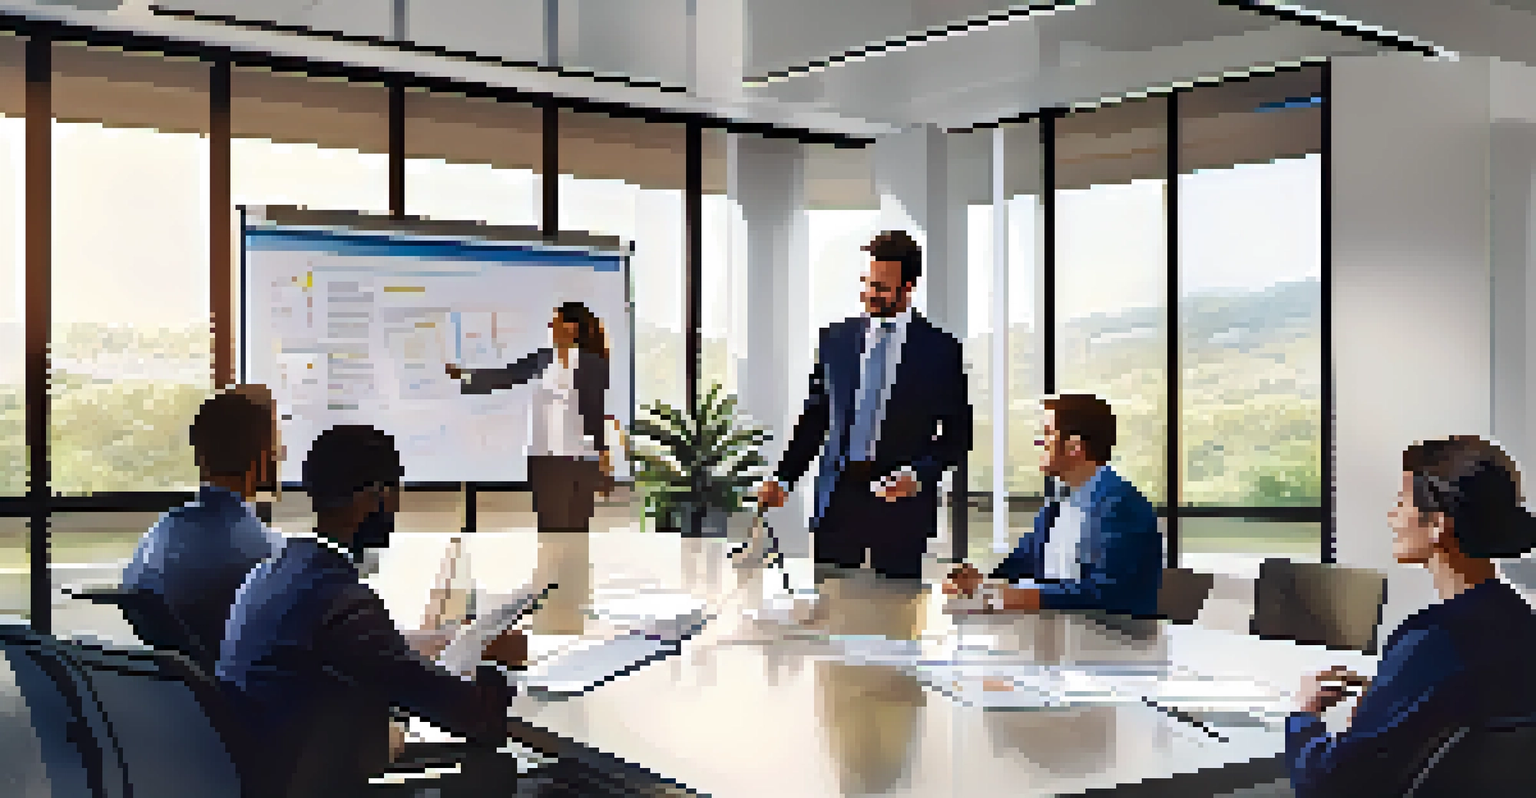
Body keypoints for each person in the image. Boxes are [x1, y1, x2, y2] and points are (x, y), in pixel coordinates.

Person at [217, 424, 527, 798]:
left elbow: (364, 655)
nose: (396, 508)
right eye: (395, 494)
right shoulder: (341, 601)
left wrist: (443, 641)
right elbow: (481, 721)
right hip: (314, 782)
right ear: (372, 499)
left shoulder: (271, 572)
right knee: (501, 769)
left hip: (266, 774)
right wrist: (500, 664)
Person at [1285, 435, 1536, 797]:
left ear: (1438, 524)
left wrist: (1304, 714)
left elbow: (1326, 783)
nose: (1392, 516)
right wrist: (1390, 699)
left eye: (1401, 502)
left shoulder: (1431, 639)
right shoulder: (1521, 620)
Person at [757, 230, 972, 581]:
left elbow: (957, 436)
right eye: (867, 283)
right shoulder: (835, 341)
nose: (872, 294)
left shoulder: (941, 350)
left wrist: (918, 475)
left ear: (908, 287)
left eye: (882, 288)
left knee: (897, 619)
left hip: (901, 507)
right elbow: (816, 419)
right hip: (837, 502)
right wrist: (783, 478)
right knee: (831, 614)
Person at [943, 394, 1161, 617]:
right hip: (1055, 636)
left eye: (1047, 433)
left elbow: (1109, 592)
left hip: (1114, 642)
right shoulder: (1057, 504)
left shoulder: (1121, 504)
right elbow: (1020, 564)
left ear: (1074, 446)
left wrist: (1021, 596)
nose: (1039, 443)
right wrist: (979, 582)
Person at [120, 384, 284, 672]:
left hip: (179, 699)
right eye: (276, 449)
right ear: (262, 460)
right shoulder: (271, 556)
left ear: (199, 457)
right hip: (242, 704)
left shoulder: (158, 535)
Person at [447, 301, 613, 534]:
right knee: (549, 529)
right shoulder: (544, 359)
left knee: (576, 531)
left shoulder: (592, 364)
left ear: (571, 327)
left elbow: (594, 410)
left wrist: (603, 460)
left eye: (556, 321)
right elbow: (506, 376)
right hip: (545, 460)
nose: (550, 326)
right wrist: (464, 376)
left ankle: (576, 571)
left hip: (580, 460)